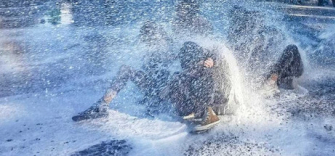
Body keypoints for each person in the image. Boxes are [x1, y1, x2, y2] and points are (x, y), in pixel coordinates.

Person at [72, 23, 231, 132]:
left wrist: (212, 61)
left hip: (173, 99)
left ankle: (203, 112)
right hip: (156, 90)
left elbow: (218, 52)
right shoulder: (172, 53)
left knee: (178, 78)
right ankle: (101, 106)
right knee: (125, 69)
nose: (147, 40)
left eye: (149, 36)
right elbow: (171, 64)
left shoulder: (202, 63)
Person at [227, 7, 304, 92]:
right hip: (268, 76)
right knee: (290, 50)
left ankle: (274, 79)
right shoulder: (239, 39)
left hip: (284, 70)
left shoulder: (268, 33)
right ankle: (274, 81)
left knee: (292, 48)